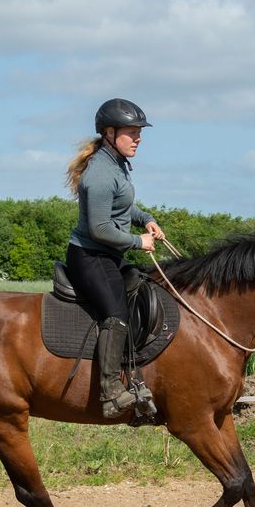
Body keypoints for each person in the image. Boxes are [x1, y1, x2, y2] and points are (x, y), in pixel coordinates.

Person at [64, 98, 165, 417]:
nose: (138, 138)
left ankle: (135, 375)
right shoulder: (100, 174)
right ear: (109, 133)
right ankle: (109, 391)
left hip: (109, 255)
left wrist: (144, 217)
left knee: (144, 290)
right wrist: (139, 241)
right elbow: (100, 228)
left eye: (139, 133)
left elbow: (121, 208)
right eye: (131, 132)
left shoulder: (116, 164)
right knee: (116, 315)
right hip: (91, 255)